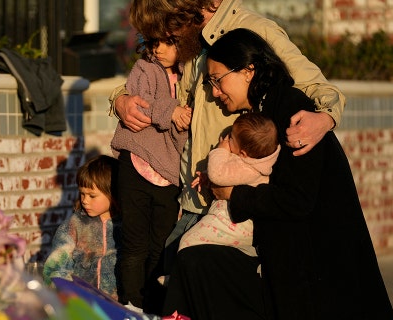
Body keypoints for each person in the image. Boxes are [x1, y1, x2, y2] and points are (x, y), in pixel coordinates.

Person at [164, 28, 393, 320]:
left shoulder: (290, 111)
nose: (214, 92)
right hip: (300, 268)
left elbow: (296, 198)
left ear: (248, 71)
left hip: (321, 273)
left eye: (217, 80)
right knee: (195, 262)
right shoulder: (265, 111)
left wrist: (234, 194)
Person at [110, 0, 347, 276]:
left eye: (166, 29)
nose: (164, 40)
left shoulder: (255, 30)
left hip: (229, 207)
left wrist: (326, 117)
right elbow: (157, 86)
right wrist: (120, 100)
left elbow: (317, 86)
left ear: (184, 12)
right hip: (191, 200)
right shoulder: (191, 41)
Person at [110, 23, 191, 313]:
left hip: (170, 173)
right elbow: (141, 103)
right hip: (137, 161)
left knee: (161, 246)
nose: (158, 48)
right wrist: (172, 112)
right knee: (134, 244)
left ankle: (155, 309)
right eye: (154, 41)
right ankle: (130, 307)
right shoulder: (145, 67)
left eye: (168, 42)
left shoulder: (193, 74)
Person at [178, 113, 280, 257]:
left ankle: (177, 278)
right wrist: (207, 178)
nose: (226, 139)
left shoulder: (249, 168)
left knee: (189, 242)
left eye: (230, 137)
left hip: (233, 223)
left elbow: (218, 174)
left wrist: (221, 150)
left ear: (243, 153)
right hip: (228, 219)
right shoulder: (251, 162)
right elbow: (224, 175)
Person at [42, 155, 121, 301]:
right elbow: (55, 267)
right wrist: (66, 295)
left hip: (118, 307)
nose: (84, 200)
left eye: (92, 196)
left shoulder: (127, 226)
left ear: (113, 193)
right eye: (82, 194)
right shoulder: (73, 225)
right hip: (82, 305)